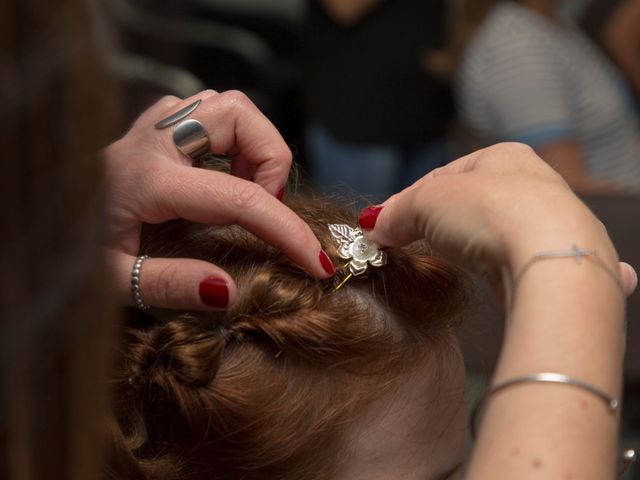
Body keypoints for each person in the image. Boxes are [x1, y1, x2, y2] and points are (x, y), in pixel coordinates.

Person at [453, 0, 640, 194]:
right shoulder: (518, 48)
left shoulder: (553, 24)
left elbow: (617, 139)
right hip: (611, 214)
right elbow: (568, 188)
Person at [304, 0, 454, 201]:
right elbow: (343, 7)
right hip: (360, 121)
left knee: (424, 228)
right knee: (356, 228)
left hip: (428, 115)